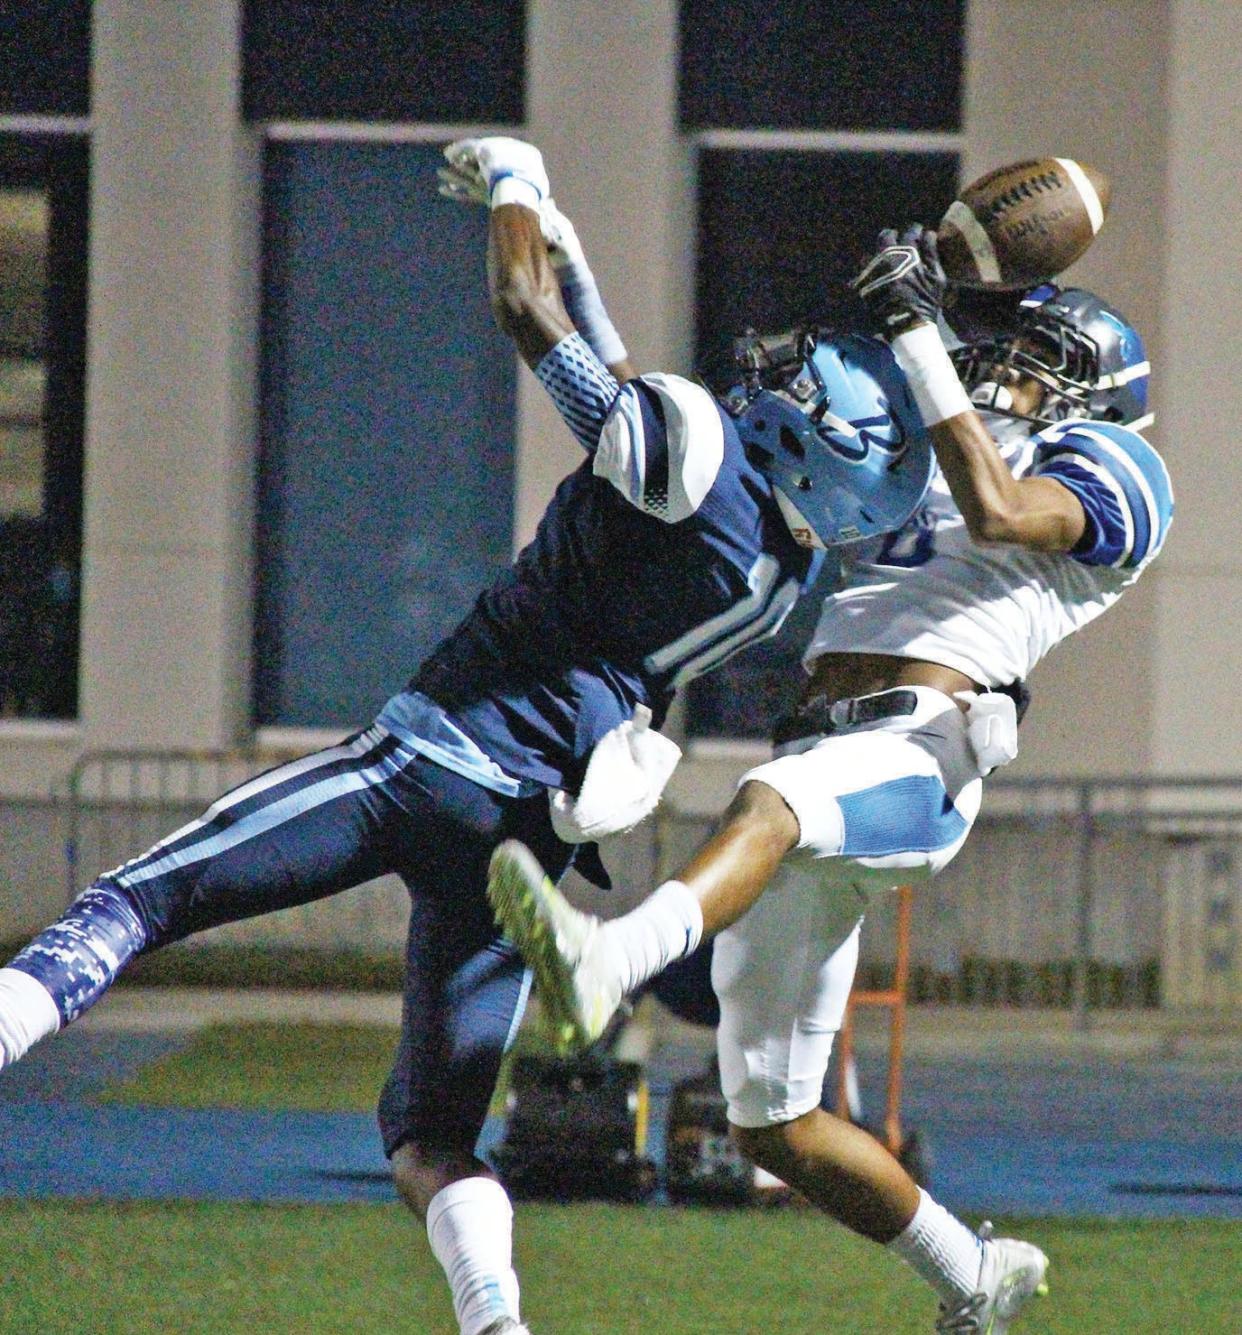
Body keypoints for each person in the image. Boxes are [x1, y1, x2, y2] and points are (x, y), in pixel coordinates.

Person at [0, 138, 934, 1335]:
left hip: (428, 762)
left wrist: (514, 186)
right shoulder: (777, 565)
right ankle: (496, 1320)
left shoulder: (695, 462)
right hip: (519, 842)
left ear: (819, 444)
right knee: (433, 1139)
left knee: (131, 903)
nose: (780, 385)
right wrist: (570, 237)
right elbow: (632, 401)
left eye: (806, 396)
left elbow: (524, 313)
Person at [488, 227, 1174, 1332]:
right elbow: (691, 452)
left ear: (1087, 388)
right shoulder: (946, 449)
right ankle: (977, 1276)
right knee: (772, 1122)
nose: (1005, 369)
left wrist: (917, 333)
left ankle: (610, 959)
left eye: (1034, 360)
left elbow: (1004, 511)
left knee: (769, 809)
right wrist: (582, 289)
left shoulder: (1119, 468)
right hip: (824, 740)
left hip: (924, 750)